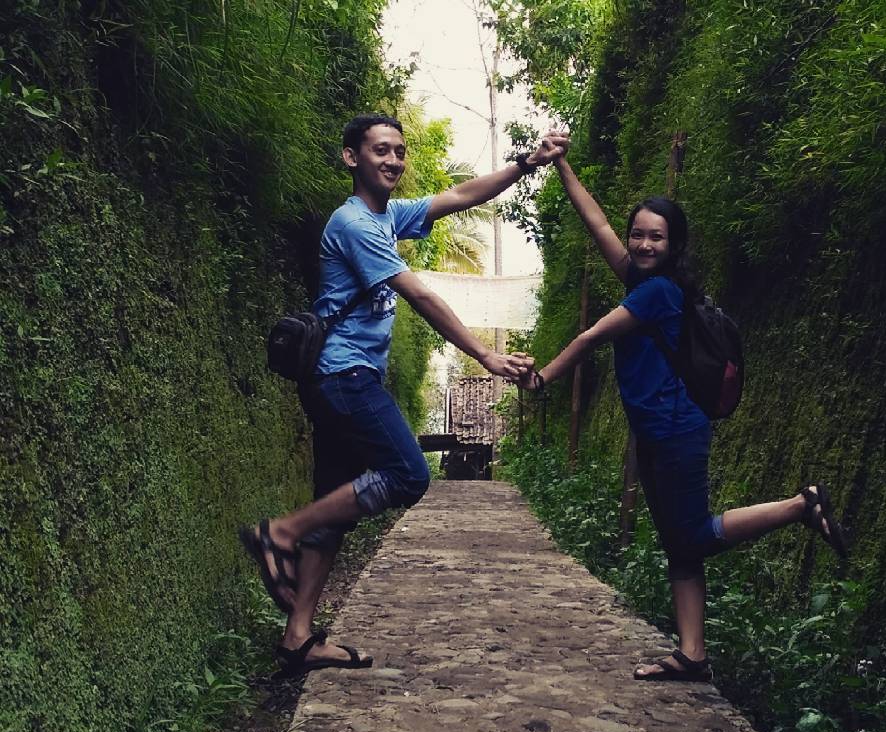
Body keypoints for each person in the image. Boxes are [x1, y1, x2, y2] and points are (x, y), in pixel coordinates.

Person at [242, 114, 567, 676]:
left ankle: (299, 637)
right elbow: (416, 291)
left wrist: (525, 162)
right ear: (352, 158)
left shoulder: (388, 215)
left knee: (334, 511)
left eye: (398, 152)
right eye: (379, 151)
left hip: (339, 377)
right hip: (345, 378)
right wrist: (483, 355)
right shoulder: (354, 224)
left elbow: (462, 195)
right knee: (410, 474)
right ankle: (281, 533)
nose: (392, 161)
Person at [522, 148, 850, 681]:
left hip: (677, 430)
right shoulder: (639, 279)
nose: (644, 244)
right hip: (655, 432)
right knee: (680, 543)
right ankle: (692, 655)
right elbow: (596, 220)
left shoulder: (657, 292)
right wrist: (561, 164)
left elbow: (591, 337)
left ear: (674, 245)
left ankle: (800, 506)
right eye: (639, 235)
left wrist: (542, 378)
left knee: (692, 534)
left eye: (657, 237)